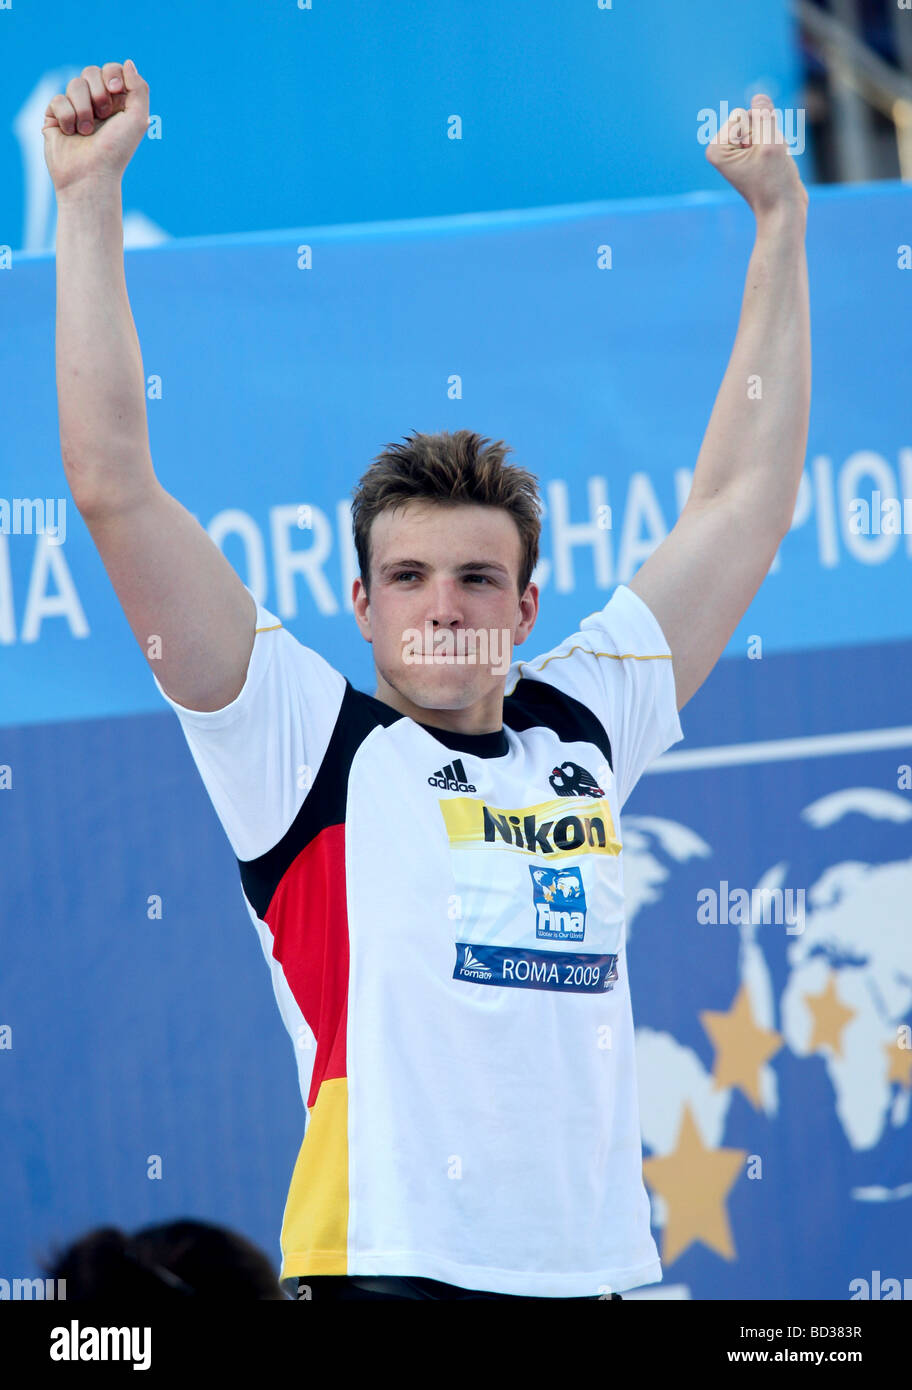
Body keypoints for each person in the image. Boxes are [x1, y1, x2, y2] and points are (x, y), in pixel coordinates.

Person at [44, 60, 810, 1301]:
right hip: (385, 1274)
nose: (443, 603)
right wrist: (87, 200)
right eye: (406, 576)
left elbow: (746, 502)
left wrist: (782, 222)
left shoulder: (586, 719)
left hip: (599, 1275)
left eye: (474, 576)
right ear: (358, 603)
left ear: (528, 605)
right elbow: (113, 484)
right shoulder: (300, 746)